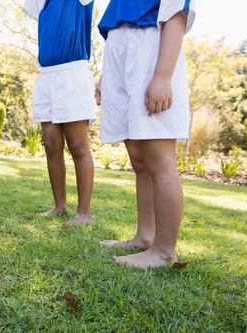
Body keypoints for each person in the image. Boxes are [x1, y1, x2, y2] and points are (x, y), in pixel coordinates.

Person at [96, 0, 196, 268]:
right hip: (120, 48)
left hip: (151, 47)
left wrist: (162, 76)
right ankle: (144, 236)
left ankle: (164, 251)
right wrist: (106, 76)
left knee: (160, 162)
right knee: (139, 160)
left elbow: (176, 14)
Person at [23, 0, 96, 227]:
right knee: (51, 146)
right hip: (46, 76)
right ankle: (59, 205)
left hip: (72, 74)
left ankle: (84, 212)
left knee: (77, 146)